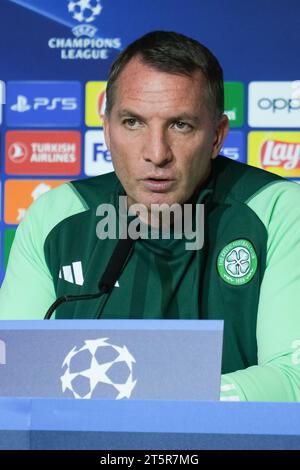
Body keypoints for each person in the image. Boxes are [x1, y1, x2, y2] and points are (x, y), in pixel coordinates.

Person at [1, 31, 300, 402]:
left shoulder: (278, 209)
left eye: (180, 125)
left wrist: (139, 397)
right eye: (133, 123)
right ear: (107, 130)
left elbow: (295, 379)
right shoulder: (57, 214)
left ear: (217, 136)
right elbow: (10, 374)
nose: (157, 153)